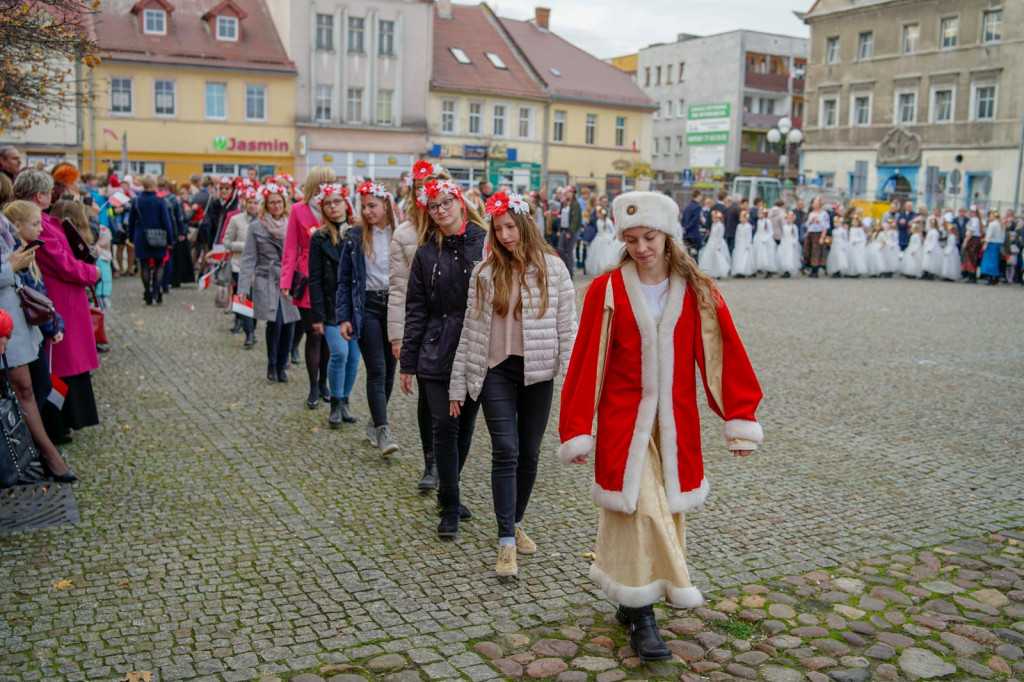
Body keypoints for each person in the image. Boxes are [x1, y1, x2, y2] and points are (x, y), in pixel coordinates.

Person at [558, 190, 762, 662]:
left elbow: (724, 355)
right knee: (639, 511)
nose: (641, 248)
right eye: (630, 240)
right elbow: (587, 361)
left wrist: (739, 417)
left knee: (662, 514)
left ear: (668, 236)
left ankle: (632, 599)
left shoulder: (699, 292)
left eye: (648, 237)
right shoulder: (605, 291)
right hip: (622, 425)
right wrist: (576, 428)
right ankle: (645, 614)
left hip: (672, 427)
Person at [449, 191, 576, 576]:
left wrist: (575, 385)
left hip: (538, 372)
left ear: (525, 225)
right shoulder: (485, 273)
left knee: (530, 453)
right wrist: (458, 386)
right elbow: (470, 332)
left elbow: (569, 328)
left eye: (510, 227)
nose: (505, 236)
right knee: (506, 449)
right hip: (496, 371)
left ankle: (516, 521)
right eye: (498, 229)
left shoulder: (554, 270)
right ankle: (505, 540)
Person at [400, 179, 488, 538]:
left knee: (465, 428)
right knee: (444, 427)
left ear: (460, 202)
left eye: (445, 202)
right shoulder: (425, 253)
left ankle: (448, 488)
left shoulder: (485, 243)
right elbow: (416, 309)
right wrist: (407, 362)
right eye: (433, 206)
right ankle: (449, 503)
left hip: (476, 349)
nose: (440, 210)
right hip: (435, 352)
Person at [13, 169, 100, 434]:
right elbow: (61, 262)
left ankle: (63, 423)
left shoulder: (40, 220)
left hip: (62, 295)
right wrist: (90, 272)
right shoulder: (36, 223)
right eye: (49, 191)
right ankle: (58, 424)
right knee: (61, 363)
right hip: (59, 297)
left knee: (66, 362)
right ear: (40, 196)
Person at [0, 199, 77, 481]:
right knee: (23, 390)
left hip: (14, 321)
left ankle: (30, 455)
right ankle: (45, 455)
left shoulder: (4, 224)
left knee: (27, 389)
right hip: (5, 321)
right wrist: (11, 267)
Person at [390, 161, 445, 490]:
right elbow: (397, 289)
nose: (429, 192)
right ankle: (431, 462)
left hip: (460, 324)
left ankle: (450, 460)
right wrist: (398, 336)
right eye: (422, 186)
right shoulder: (405, 232)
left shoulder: (463, 225)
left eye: (434, 185)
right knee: (428, 397)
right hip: (423, 326)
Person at [337, 181, 400, 452]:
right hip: (368, 306)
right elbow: (344, 280)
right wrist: (344, 317)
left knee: (390, 370)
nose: (367, 211)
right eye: (364, 207)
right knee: (376, 368)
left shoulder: (401, 233)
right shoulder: (354, 236)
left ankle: (375, 420)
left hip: (395, 306)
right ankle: (383, 430)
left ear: (386, 204)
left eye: (372, 206)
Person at [306, 183, 361, 427]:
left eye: (337, 201)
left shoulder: (358, 232)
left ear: (345, 203)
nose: (333, 206)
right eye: (328, 203)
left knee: (353, 358)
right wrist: (317, 315)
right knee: (339, 353)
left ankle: (346, 401)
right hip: (330, 306)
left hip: (356, 305)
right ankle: (335, 404)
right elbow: (315, 278)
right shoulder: (319, 237)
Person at [281, 166, 336, 408]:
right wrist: (285, 281)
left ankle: (325, 382)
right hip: (307, 277)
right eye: (325, 183)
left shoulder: (337, 206)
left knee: (328, 336)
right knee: (313, 334)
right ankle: (313, 385)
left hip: (332, 279)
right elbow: (291, 247)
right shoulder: (298, 210)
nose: (328, 187)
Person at [238, 182, 300, 382]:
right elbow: (248, 258)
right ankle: (272, 363)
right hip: (267, 277)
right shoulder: (257, 226)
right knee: (275, 322)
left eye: (279, 202)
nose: (275, 206)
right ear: (265, 205)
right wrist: (243, 287)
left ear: (285, 203)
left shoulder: (293, 223)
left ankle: (283, 364)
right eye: (271, 202)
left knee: (289, 323)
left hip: (289, 279)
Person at [223, 187, 261, 345]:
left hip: (259, 268)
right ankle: (249, 332)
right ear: (245, 203)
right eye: (250, 202)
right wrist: (244, 246)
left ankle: (253, 326)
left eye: (256, 203)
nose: (253, 206)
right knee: (244, 299)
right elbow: (227, 242)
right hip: (240, 266)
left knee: (256, 301)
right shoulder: (236, 220)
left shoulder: (264, 221)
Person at [129, 174, 174, 305]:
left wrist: (131, 237)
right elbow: (166, 221)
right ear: (154, 185)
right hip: (159, 236)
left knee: (144, 265)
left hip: (141, 236)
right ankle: (156, 290)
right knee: (159, 264)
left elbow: (132, 221)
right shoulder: (160, 201)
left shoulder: (136, 201)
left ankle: (147, 292)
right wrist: (170, 240)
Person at [584, 207, 621, 275]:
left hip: (606, 239)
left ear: (602, 214)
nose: (597, 214)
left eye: (598, 213)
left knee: (605, 254)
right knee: (598, 254)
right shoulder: (598, 221)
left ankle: (605, 268)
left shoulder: (608, 221)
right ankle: (599, 268)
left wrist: (611, 239)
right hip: (599, 238)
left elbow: (613, 231)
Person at [698, 210, 731, 279]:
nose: (714, 219)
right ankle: (711, 271)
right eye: (713, 218)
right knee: (710, 257)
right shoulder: (713, 224)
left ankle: (718, 272)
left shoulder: (720, 226)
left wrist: (718, 246)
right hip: (711, 241)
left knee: (718, 257)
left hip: (717, 242)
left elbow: (720, 236)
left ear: (719, 218)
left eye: (716, 218)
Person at [557, 186, 582, 277]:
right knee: (560, 249)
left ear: (573, 193)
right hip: (564, 229)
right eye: (566, 192)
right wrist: (560, 229)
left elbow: (575, 220)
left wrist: (570, 232)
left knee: (569, 250)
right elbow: (561, 217)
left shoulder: (575, 204)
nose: (567, 194)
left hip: (571, 231)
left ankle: (570, 271)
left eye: (569, 192)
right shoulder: (564, 203)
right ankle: (565, 268)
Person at [803, 197, 830, 277]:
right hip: (810, 233)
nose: (814, 205)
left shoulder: (824, 214)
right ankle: (809, 266)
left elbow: (825, 226)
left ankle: (815, 269)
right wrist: (807, 233)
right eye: (813, 203)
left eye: (816, 203)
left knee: (816, 251)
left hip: (818, 233)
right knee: (808, 250)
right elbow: (808, 224)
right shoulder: (811, 214)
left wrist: (822, 237)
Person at [979, 210, 1004, 285]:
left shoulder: (992, 224)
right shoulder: (1001, 224)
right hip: (998, 243)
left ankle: (990, 276)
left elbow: (989, 235)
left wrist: (985, 243)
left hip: (991, 243)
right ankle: (995, 276)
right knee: (995, 260)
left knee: (989, 261)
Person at [961, 206, 983, 283]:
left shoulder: (975, 220)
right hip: (972, 239)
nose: (970, 213)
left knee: (971, 257)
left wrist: (966, 240)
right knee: (969, 257)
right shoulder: (973, 220)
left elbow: (971, 231)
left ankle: (972, 275)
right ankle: (970, 274)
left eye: (972, 212)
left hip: (973, 239)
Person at [730, 211, 754, 278]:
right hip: (739, 243)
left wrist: (747, 244)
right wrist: (736, 243)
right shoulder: (739, 226)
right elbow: (737, 235)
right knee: (738, 257)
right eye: (740, 217)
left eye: (742, 217)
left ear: (746, 218)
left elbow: (749, 236)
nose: (741, 219)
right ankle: (738, 271)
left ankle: (743, 270)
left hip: (745, 243)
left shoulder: (748, 226)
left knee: (745, 257)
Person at [777, 211, 802, 278]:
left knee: (790, 256)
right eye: (787, 218)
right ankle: (785, 270)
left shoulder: (794, 227)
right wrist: (781, 242)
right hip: (785, 243)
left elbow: (796, 236)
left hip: (790, 243)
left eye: (790, 218)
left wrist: (794, 242)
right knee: (784, 256)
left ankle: (789, 270)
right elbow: (783, 235)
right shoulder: (784, 227)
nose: (788, 220)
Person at [681, 189, 703, 256]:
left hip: (687, 234)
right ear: (698, 195)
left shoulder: (687, 206)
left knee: (688, 254)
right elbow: (695, 220)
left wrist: (684, 228)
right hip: (694, 234)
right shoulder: (697, 206)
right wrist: (687, 228)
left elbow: (683, 219)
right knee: (695, 255)